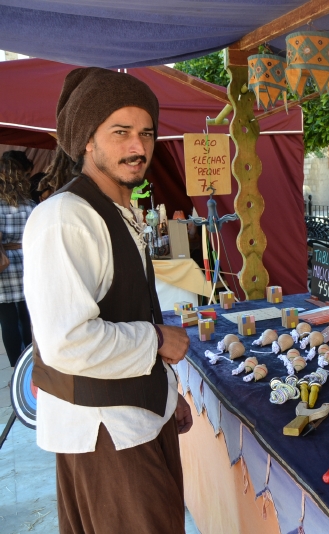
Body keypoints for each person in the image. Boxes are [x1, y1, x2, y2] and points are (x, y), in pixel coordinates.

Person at [22, 67, 193, 533]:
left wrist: (167, 394)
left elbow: (126, 307)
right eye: (121, 132)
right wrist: (157, 339)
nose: (138, 146)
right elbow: (67, 342)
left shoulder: (117, 210)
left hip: (137, 420)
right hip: (105, 433)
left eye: (146, 133)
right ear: (86, 141)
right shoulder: (64, 218)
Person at [0, 151, 35, 367]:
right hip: (27, 260)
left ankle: (16, 366)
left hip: (4, 263)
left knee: (7, 320)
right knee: (27, 315)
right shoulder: (30, 204)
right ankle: (32, 362)